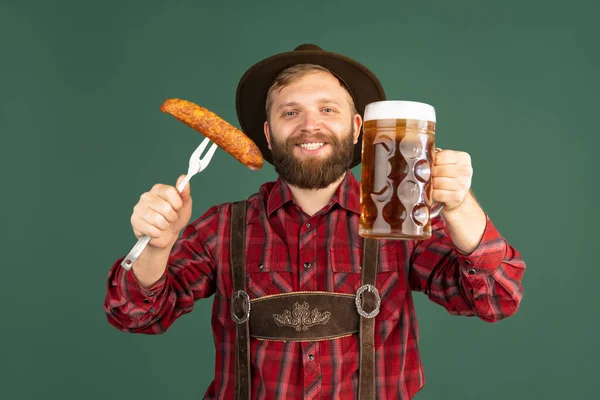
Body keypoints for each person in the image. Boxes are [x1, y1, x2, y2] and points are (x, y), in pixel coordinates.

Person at [104, 44, 526, 399]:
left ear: (358, 128)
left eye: (328, 109)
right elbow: (135, 315)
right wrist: (157, 246)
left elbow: (496, 299)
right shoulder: (222, 227)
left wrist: (460, 206)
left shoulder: (398, 223)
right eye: (290, 113)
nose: (311, 125)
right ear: (267, 134)